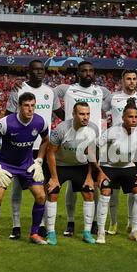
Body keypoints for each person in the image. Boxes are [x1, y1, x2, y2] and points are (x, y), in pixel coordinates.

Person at [0, 92, 50, 247]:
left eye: (33, 105)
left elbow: (46, 140)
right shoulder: (5, 123)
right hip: (5, 164)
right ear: (19, 107)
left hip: (26, 164)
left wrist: (39, 160)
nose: (30, 109)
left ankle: (34, 233)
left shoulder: (40, 122)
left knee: (40, 196)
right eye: (26, 105)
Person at [6, 59, 64, 240]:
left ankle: (41, 225)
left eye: (42, 70)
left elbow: (61, 114)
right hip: (22, 147)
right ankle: (16, 226)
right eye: (35, 70)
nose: (39, 73)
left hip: (44, 148)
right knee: (17, 187)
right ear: (28, 71)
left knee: (44, 187)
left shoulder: (50, 92)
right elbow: (8, 118)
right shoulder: (18, 90)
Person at [53, 61, 111, 237]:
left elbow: (113, 103)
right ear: (78, 72)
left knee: (92, 184)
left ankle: (93, 222)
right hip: (71, 141)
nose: (88, 73)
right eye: (84, 70)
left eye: (91, 70)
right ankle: (71, 222)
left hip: (94, 141)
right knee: (72, 183)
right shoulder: (67, 89)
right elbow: (50, 96)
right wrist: (63, 118)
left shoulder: (102, 91)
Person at [102, 70, 137, 235]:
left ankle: (132, 222)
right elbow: (102, 111)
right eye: (128, 79)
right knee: (113, 189)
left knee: (134, 187)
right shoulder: (113, 97)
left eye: (134, 79)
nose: (131, 81)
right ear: (122, 80)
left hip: (135, 146)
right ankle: (113, 223)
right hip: (115, 145)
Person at [94, 100, 137, 244]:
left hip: (128, 166)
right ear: (123, 118)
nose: (134, 120)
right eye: (130, 117)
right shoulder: (112, 132)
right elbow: (91, 148)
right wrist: (99, 171)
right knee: (106, 194)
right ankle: (101, 233)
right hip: (109, 166)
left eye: (136, 117)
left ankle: (135, 231)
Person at [45, 102, 99, 245]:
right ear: (73, 115)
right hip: (61, 165)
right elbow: (50, 152)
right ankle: (50, 232)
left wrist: (89, 177)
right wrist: (54, 177)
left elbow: (92, 155)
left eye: (87, 114)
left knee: (89, 192)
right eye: (81, 114)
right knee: (53, 191)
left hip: (80, 166)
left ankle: (87, 232)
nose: (85, 117)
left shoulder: (93, 129)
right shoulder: (61, 129)